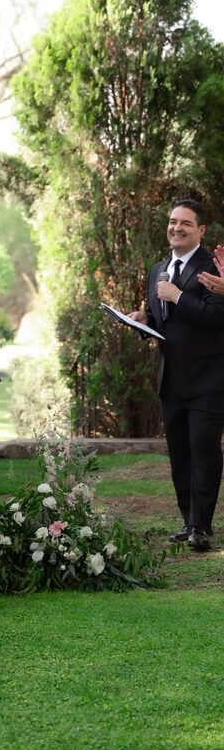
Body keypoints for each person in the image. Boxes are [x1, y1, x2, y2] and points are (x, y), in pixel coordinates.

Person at [128, 200, 224, 551]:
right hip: (171, 380)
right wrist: (143, 321)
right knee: (180, 454)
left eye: (185, 223)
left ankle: (202, 525)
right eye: (172, 222)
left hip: (208, 380)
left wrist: (179, 295)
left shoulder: (214, 268)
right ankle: (188, 521)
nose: (176, 228)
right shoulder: (158, 270)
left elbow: (217, 318)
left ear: (201, 230)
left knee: (204, 452)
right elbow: (164, 322)